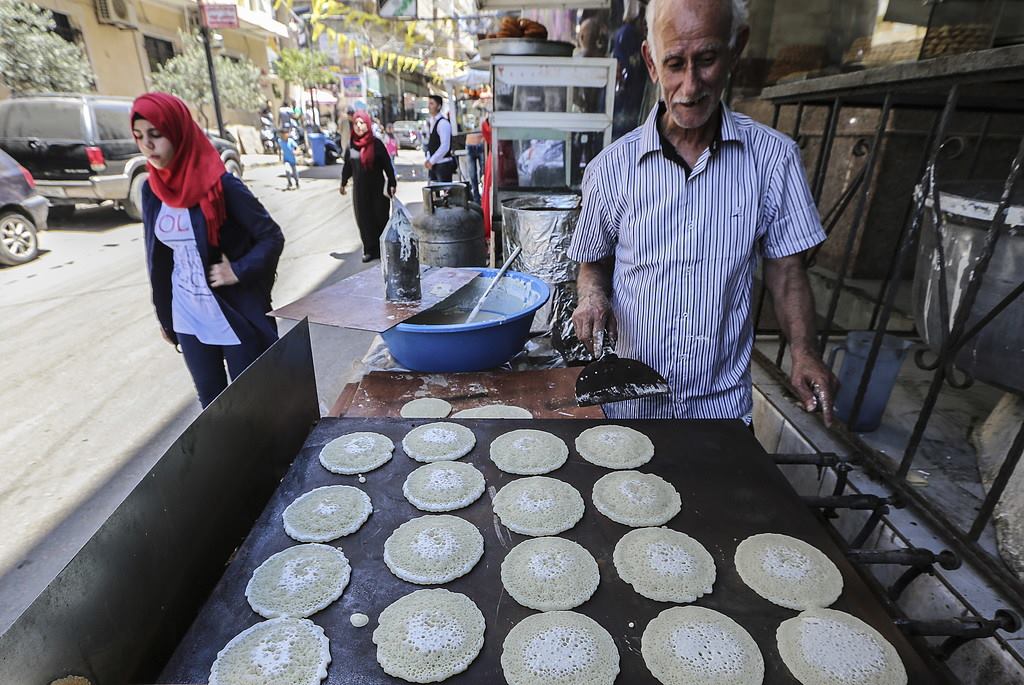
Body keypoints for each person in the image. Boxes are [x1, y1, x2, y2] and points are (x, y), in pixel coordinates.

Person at [568, 0, 838, 425]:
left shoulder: (773, 159)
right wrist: (592, 297)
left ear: (736, 49)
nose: (691, 86)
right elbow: (593, 261)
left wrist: (804, 353)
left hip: (720, 410)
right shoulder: (611, 168)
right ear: (651, 63)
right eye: (675, 64)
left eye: (707, 60)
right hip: (629, 403)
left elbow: (787, 272)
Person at [132, 92, 285, 408]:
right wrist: (164, 315)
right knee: (212, 405)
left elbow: (271, 236)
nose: (147, 145)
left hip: (231, 311)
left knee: (251, 400)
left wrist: (237, 271)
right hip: (187, 314)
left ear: (177, 132)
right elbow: (157, 261)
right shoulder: (152, 190)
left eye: (156, 134)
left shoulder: (221, 185)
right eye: (139, 136)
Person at [340, 111, 397, 262]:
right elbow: (348, 167)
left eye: (362, 123)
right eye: (356, 123)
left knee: (380, 218)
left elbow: (387, 164)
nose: (358, 126)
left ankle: (384, 249)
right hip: (360, 191)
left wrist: (392, 182)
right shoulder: (351, 145)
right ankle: (370, 250)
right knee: (364, 220)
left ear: (368, 124)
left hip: (377, 190)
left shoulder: (376, 144)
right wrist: (343, 183)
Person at [423, 95, 454, 182]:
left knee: (444, 189)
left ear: (439, 106)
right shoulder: (432, 121)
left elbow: (445, 146)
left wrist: (431, 161)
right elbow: (431, 143)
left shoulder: (443, 123)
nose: (429, 106)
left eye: (432, 104)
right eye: (429, 104)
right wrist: (428, 159)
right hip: (434, 164)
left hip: (443, 164)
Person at [465, 127, 484, 203]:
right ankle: (476, 199)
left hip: (481, 142)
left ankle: (483, 197)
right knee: (472, 174)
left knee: (483, 173)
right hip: (470, 143)